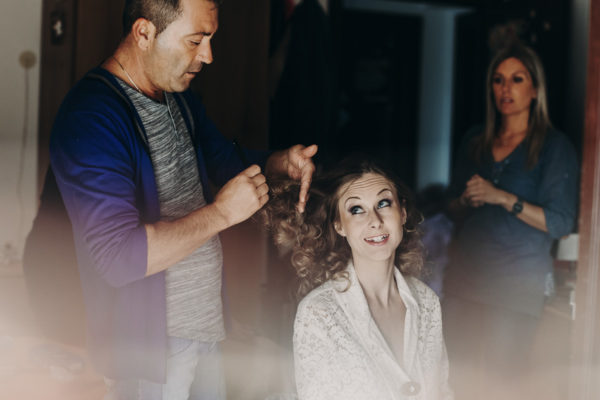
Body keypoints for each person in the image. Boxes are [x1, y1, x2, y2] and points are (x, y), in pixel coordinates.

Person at [49, 0, 317, 399]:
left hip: (204, 331)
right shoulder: (91, 118)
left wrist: (281, 163)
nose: (208, 56)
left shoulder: (177, 97)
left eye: (210, 39)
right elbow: (117, 256)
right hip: (150, 354)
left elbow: (222, 160)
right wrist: (221, 214)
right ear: (144, 33)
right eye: (195, 40)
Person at [443, 43, 578, 400]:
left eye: (517, 79)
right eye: (499, 80)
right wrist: (465, 201)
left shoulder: (553, 147)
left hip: (514, 288)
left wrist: (502, 197)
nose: (506, 88)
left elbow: (561, 223)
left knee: (500, 387)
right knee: (453, 383)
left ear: (535, 89)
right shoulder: (475, 141)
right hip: (465, 279)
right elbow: (452, 210)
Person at [263, 157, 453, 400]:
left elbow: (443, 392)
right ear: (339, 225)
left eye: (383, 203)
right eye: (356, 209)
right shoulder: (319, 312)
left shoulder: (427, 302)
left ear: (403, 212)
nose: (375, 221)